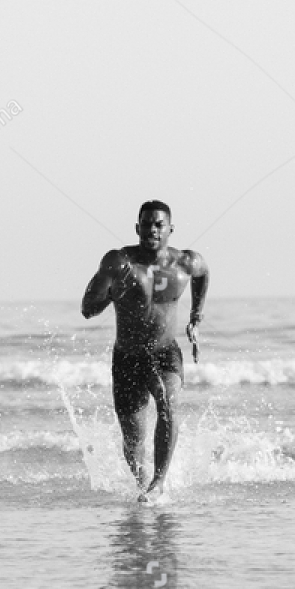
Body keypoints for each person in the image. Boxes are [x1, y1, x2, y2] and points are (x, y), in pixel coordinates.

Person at [80, 201, 209, 499]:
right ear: (137, 228)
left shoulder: (185, 263)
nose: (152, 229)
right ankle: (142, 489)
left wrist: (196, 318)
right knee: (133, 442)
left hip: (165, 353)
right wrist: (113, 294)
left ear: (170, 229)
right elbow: (87, 309)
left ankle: (159, 483)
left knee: (168, 403)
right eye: (147, 224)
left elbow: (203, 273)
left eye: (159, 224)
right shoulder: (118, 263)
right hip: (127, 357)